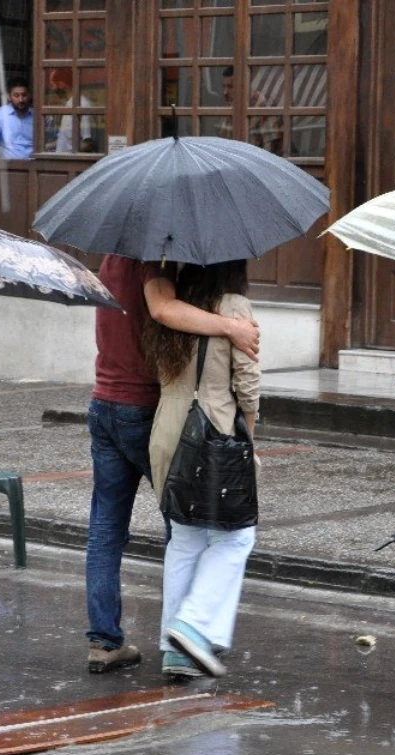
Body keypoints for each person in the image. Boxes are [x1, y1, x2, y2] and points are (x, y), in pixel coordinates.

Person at [83, 255, 260, 675]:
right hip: (145, 411)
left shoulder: (110, 261)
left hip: (104, 402)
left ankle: (106, 640)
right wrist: (232, 326)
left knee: (109, 531)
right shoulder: (155, 268)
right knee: (194, 526)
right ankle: (189, 632)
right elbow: (162, 310)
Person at [147, 261, 259, 679]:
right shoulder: (234, 308)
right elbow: (247, 384)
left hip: (168, 429)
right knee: (236, 537)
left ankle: (175, 650)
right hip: (213, 428)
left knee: (185, 536)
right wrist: (249, 438)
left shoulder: (172, 305)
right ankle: (191, 625)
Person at [220, 66, 283, 154]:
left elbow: (270, 151)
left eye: (230, 87)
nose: (225, 92)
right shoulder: (231, 107)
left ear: (244, 85)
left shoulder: (263, 106)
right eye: (224, 87)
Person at [0, 78, 34, 161]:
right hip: (10, 168)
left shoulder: (37, 116)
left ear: (29, 95)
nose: (21, 100)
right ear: (9, 96)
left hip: (34, 166)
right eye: (16, 95)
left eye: (24, 95)